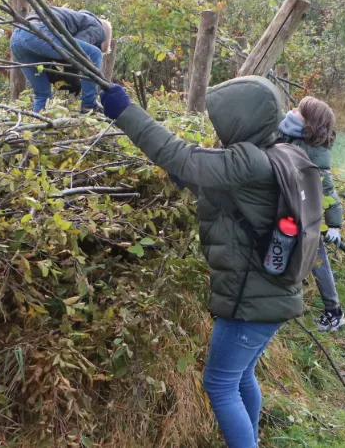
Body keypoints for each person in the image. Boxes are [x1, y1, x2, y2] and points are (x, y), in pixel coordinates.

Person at [100, 77, 302, 448]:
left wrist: (126, 112)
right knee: (240, 377)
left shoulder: (249, 160)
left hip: (252, 301)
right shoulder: (276, 152)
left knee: (219, 384)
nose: (216, 127)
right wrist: (193, 180)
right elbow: (233, 199)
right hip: (272, 293)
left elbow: (182, 155)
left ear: (241, 120)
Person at [277, 97, 345, 333]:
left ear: (309, 122)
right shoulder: (285, 129)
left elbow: (327, 188)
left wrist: (334, 225)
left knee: (317, 260)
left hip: (306, 213)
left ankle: (334, 312)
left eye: (299, 111)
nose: (293, 110)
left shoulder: (315, 151)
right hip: (284, 207)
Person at [10, 5, 111, 113]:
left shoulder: (76, 19)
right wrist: (73, 77)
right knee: (95, 53)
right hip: (38, 32)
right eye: (100, 46)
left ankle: (38, 120)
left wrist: (57, 76)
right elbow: (76, 51)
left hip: (17, 37)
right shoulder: (98, 28)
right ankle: (88, 105)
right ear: (104, 38)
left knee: (42, 94)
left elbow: (63, 51)